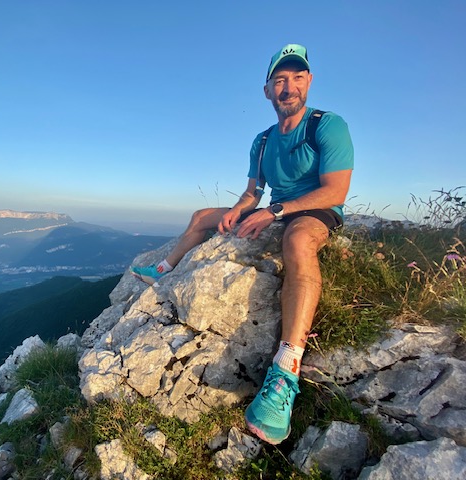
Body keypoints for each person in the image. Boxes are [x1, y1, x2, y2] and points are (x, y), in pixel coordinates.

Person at [131, 44, 354, 445]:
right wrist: (238, 210)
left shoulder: (327, 125)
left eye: (297, 78)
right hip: (276, 209)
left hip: (315, 211)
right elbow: (253, 193)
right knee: (201, 216)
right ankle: (162, 270)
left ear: (309, 82)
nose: (288, 87)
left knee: (297, 241)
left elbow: (335, 190)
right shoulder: (263, 140)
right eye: (280, 80)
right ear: (267, 91)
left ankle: (285, 371)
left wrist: (276, 211)